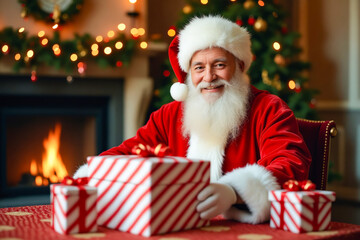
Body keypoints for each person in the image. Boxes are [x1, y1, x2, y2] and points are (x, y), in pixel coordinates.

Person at [74, 15, 311, 224]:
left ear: (239, 66)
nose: (209, 77)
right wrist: (90, 177)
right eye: (199, 68)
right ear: (189, 73)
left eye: (219, 65)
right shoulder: (168, 116)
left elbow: (291, 162)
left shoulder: (269, 109)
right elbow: (126, 154)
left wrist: (235, 190)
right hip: (178, 227)